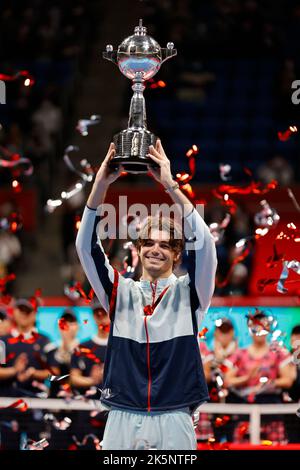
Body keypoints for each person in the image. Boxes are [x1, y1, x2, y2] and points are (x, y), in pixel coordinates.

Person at [76, 140, 217, 450]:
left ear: (177, 255)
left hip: (175, 414)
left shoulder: (191, 292)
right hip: (122, 414)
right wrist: (100, 185)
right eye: (149, 244)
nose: (156, 249)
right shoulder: (118, 291)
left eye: (166, 245)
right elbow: (86, 247)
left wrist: (170, 184)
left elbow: (205, 244)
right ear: (137, 250)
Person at [225, 310, 296, 443]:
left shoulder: (279, 353)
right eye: (255, 324)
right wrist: (247, 378)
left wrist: (269, 383)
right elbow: (228, 380)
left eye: (263, 324)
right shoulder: (239, 354)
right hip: (245, 410)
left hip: (271, 409)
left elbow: (288, 380)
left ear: (268, 327)